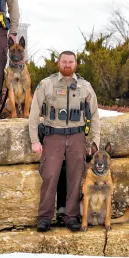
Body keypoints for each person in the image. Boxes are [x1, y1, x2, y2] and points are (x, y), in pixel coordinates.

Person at [28, 51, 101, 232]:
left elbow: (95, 114)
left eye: (71, 62)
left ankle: (71, 216)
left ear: (76, 64)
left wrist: (95, 142)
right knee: (50, 176)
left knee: (75, 177)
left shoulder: (84, 86)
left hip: (77, 137)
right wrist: (34, 140)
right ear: (58, 63)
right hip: (53, 136)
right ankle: (44, 217)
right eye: (64, 62)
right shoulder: (47, 84)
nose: (67, 65)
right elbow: (34, 112)